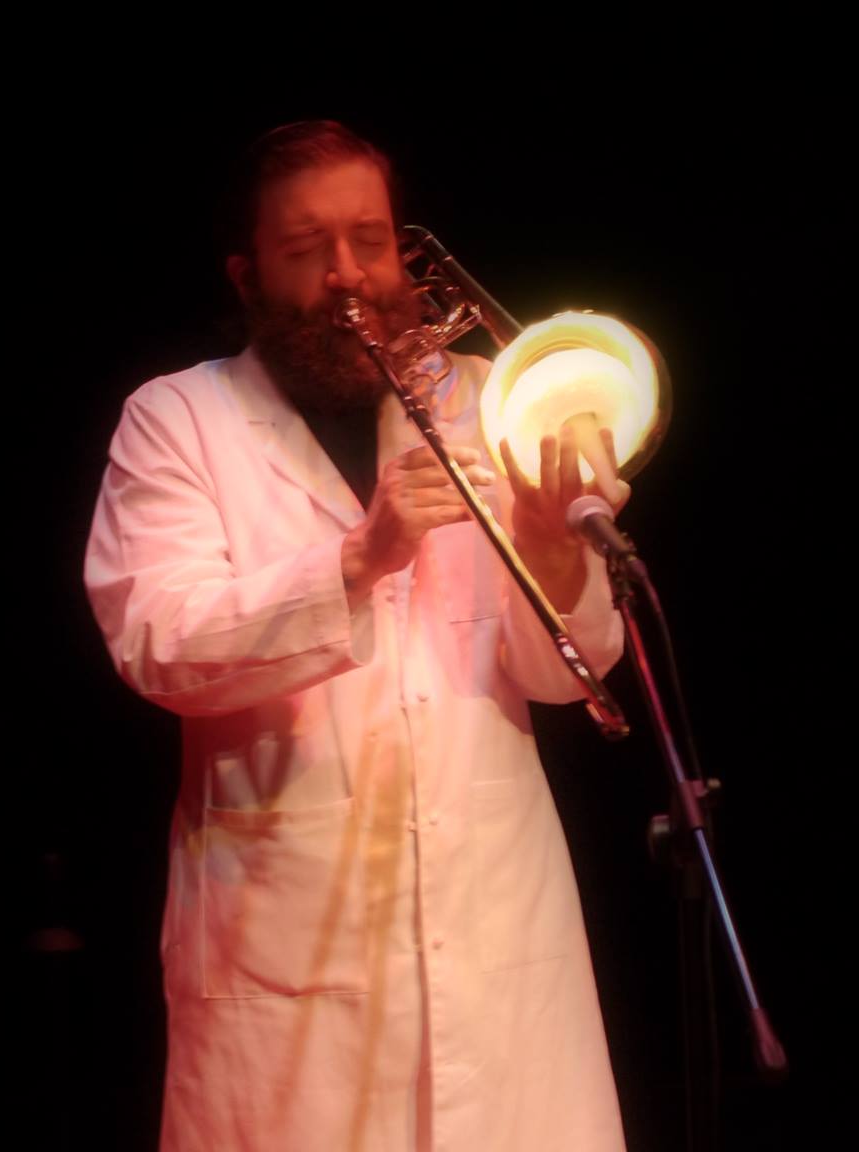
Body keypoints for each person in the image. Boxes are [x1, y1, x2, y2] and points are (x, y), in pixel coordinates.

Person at [84, 120, 633, 1151]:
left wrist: (554, 553)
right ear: (247, 273)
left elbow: (564, 677)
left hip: (497, 940)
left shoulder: (488, 400)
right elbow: (157, 641)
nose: (347, 274)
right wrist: (358, 558)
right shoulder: (176, 419)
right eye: (307, 249)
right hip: (286, 957)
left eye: (370, 242)